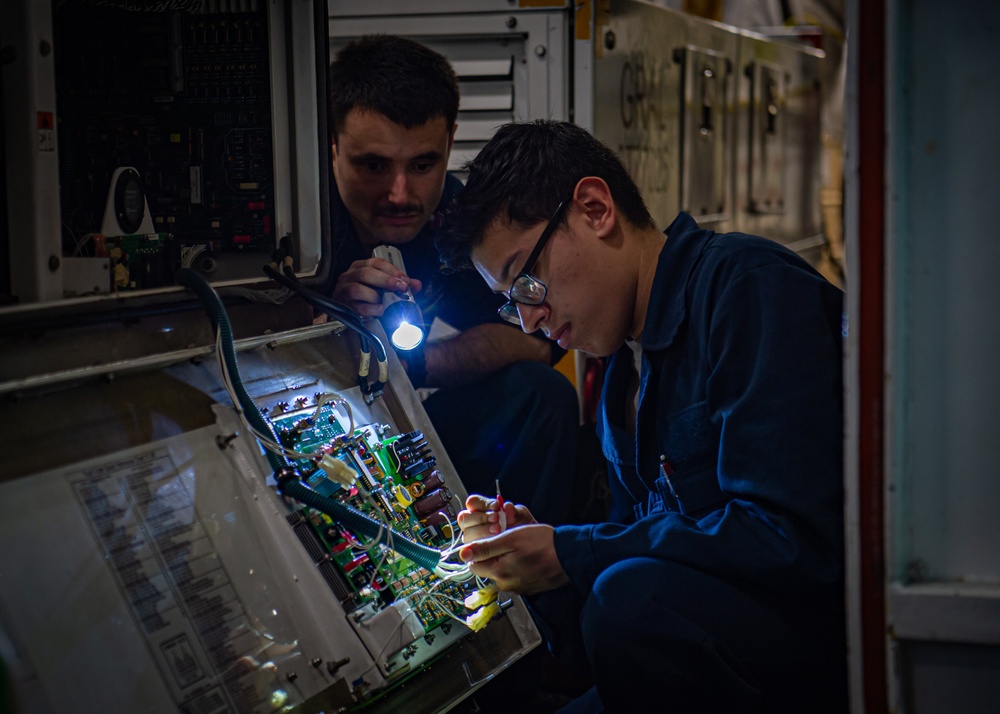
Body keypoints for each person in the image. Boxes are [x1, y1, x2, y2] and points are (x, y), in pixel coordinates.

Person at [439, 120, 848, 712]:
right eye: (510, 303)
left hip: (816, 654)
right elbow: (623, 592)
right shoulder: (618, 375)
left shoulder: (747, 289)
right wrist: (536, 565)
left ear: (596, 208)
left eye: (526, 281)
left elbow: (794, 539)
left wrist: (575, 551)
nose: (528, 320)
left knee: (628, 600)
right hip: (703, 659)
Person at [325, 36, 582, 526]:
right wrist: (324, 322)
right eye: (373, 165)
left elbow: (537, 341)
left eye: (424, 165)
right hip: (298, 437)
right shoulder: (287, 229)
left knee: (540, 394)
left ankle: (527, 575)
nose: (400, 194)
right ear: (332, 146)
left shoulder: (451, 215)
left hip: (397, 428)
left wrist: (416, 364)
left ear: (450, 142)